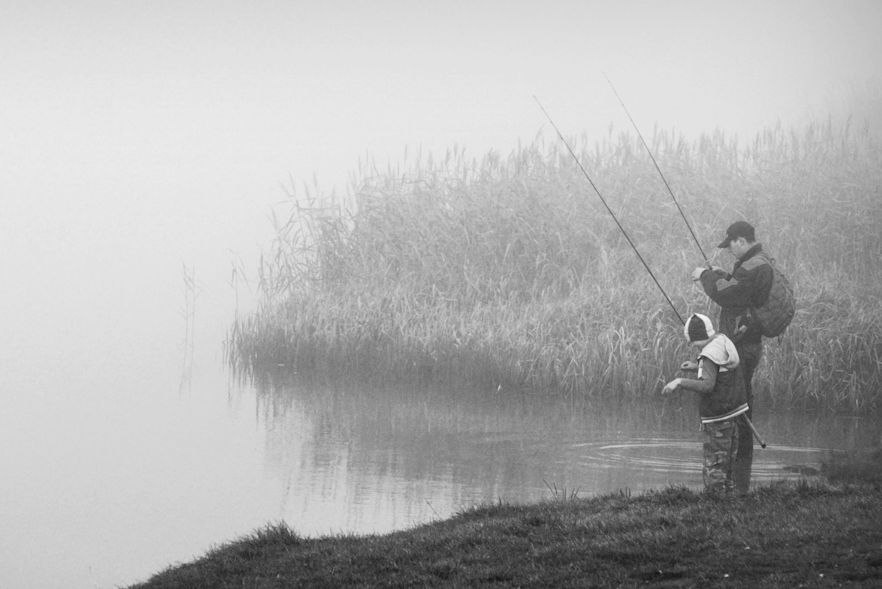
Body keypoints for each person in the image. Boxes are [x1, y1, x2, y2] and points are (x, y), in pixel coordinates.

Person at [691, 220, 773, 494]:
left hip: (742, 344)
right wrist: (722, 272)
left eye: (731, 246)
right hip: (745, 342)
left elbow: (726, 294)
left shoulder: (752, 265)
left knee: (737, 400)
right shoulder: (757, 262)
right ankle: (740, 477)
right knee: (741, 398)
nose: (731, 251)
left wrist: (705, 275)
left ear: (740, 240)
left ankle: (737, 467)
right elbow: (741, 291)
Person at [662, 313, 749, 493]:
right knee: (729, 465)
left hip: (718, 417)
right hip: (732, 412)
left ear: (696, 338)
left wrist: (679, 382)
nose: (692, 346)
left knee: (715, 465)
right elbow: (719, 369)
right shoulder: (723, 341)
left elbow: (707, 385)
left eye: (692, 342)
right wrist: (696, 366)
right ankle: (730, 500)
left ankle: (714, 501)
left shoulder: (708, 355)